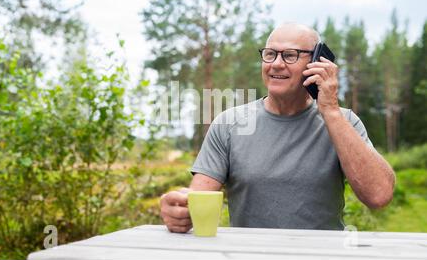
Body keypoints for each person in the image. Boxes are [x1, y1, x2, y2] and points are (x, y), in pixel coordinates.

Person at [160, 23, 395, 232]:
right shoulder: (229, 124)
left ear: (316, 63)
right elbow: (198, 199)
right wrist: (180, 210)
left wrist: (331, 111)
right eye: (270, 54)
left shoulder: (344, 122)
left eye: (290, 55)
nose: (276, 64)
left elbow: (379, 195)